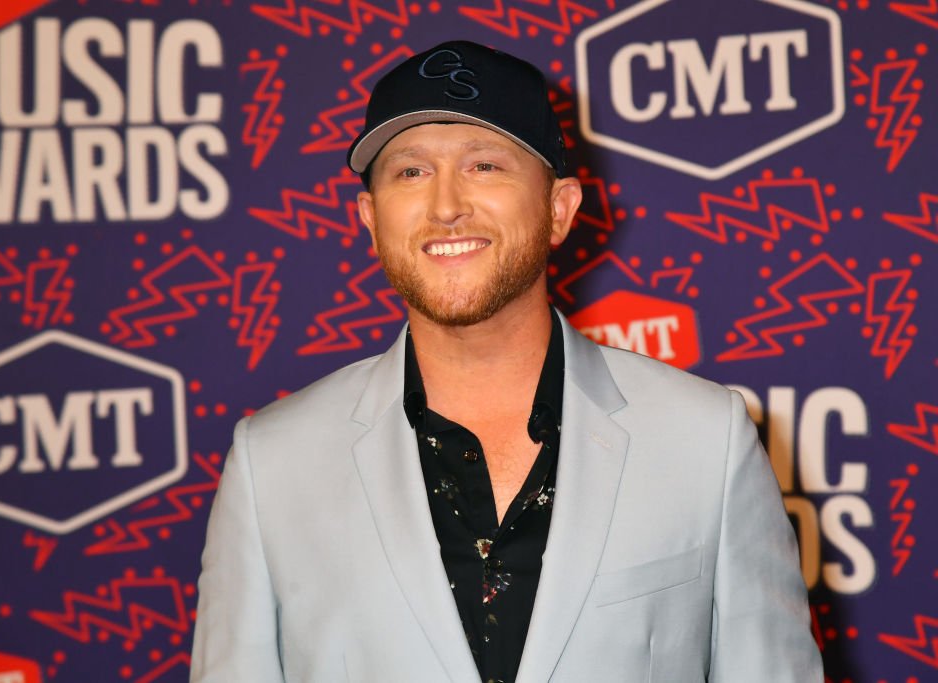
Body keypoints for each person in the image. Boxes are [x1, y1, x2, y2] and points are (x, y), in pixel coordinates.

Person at [191, 40, 822, 682]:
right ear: (369, 218)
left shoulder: (704, 437)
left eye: (484, 165)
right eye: (410, 172)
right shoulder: (271, 465)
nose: (445, 206)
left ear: (558, 209)